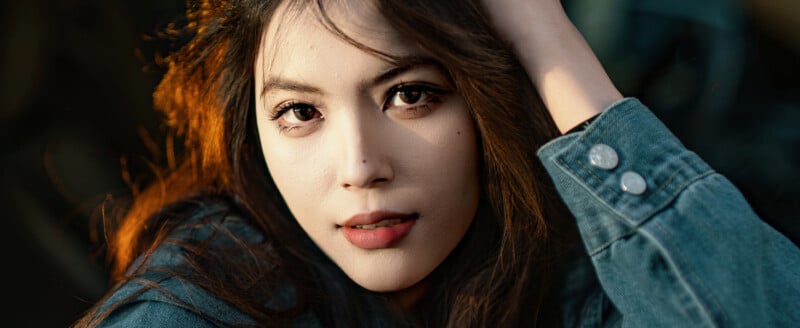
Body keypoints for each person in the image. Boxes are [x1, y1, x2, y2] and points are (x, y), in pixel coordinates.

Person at [75, 0, 800, 326]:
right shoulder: (200, 308)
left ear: (492, 102)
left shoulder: (585, 279)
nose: (360, 167)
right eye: (300, 113)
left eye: (411, 95)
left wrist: (545, 38)